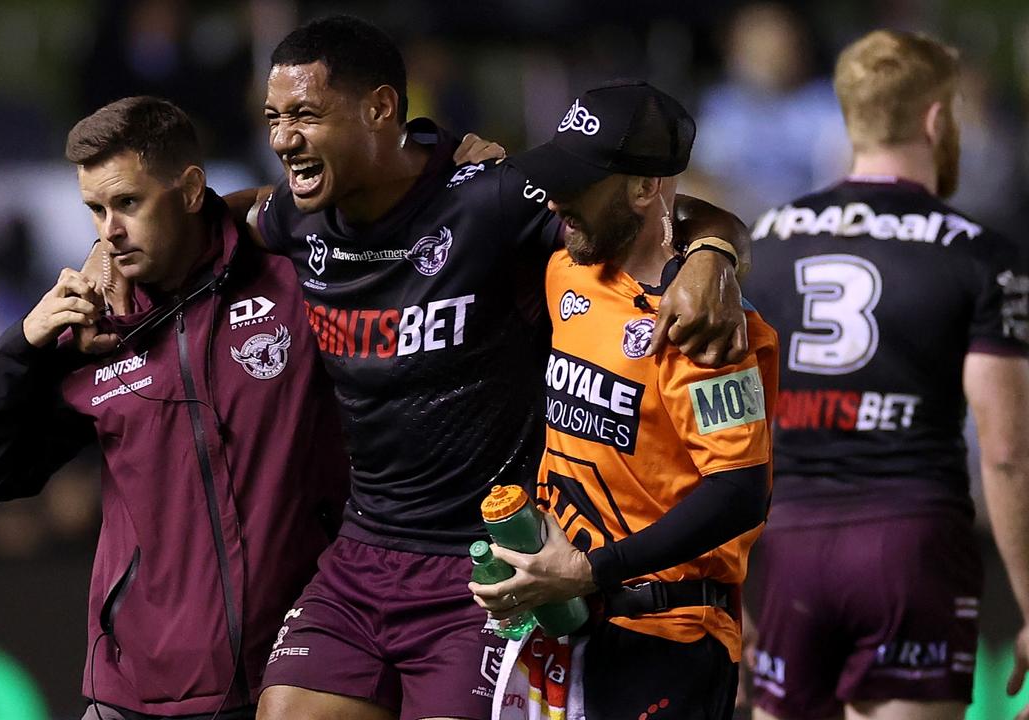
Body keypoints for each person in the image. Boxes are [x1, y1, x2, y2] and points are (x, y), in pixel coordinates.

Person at [226, 16, 755, 720]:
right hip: (364, 555)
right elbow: (225, 215)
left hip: (488, 564)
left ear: (381, 109)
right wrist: (119, 247)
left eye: (304, 114)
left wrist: (714, 252)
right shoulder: (298, 217)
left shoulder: (501, 207)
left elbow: (660, 213)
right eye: (274, 117)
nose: (282, 138)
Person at [0, 96, 349, 720]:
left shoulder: (291, 274)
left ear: (191, 188)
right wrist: (22, 345)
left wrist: (446, 155)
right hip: (135, 691)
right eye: (95, 209)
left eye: (128, 203)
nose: (108, 231)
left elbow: (366, 195)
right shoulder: (93, 326)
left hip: (289, 678)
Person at [743, 30, 1029, 720]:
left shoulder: (763, 242)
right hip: (911, 544)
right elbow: (1006, 450)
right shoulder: (980, 254)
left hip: (790, 548)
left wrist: (729, 583)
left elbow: (729, 422)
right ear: (937, 119)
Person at [470, 80, 778, 719]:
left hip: (666, 635)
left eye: (579, 181)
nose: (557, 198)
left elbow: (742, 490)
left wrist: (591, 571)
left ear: (643, 189)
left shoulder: (703, 320)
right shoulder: (568, 267)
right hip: (562, 624)